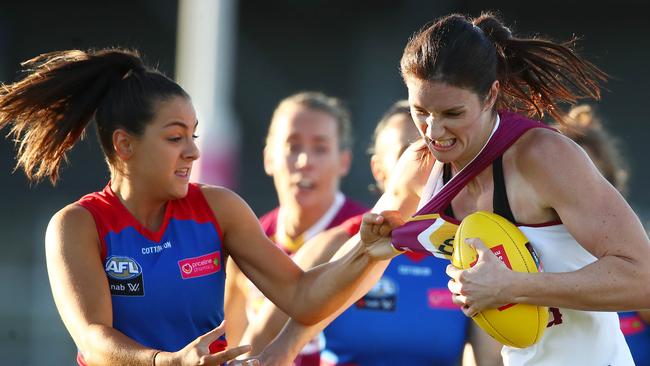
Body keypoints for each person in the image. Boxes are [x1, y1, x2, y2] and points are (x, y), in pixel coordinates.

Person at [250, 12, 650, 366]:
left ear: (491, 94)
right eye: (420, 112)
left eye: (452, 114)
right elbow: (361, 266)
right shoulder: (419, 167)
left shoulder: (543, 156)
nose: (434, 132)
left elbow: (642, 278)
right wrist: (286, 346)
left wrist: (515, 288)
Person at [0, 48, 399, 366]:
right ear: (125, 145)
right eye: (175, 138)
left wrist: (367, 254)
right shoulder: (78, 225)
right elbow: (94, 339)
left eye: (194, 135)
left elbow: (301, 295)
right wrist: (166, 362)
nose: (193, 151)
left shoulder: (219, 207)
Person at [240, 100, 501, 365]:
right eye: (410, 152)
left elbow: (491, 360)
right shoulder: (333, 246)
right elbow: (259, 345)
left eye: (436, 150)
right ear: (378, 169)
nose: (427, 164)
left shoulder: (470, 251)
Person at [224, 91, 367, 365]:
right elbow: (232, 347)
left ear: (344, 162)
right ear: (268, 158)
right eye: (292, 146)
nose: (305, 162)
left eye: (320, 148)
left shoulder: (366, 233)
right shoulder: (246, 237)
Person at [559, 104, 650, 365]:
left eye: (592, 180)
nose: (580, 195)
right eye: (569, 180)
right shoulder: (523, 255)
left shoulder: (640, 256)